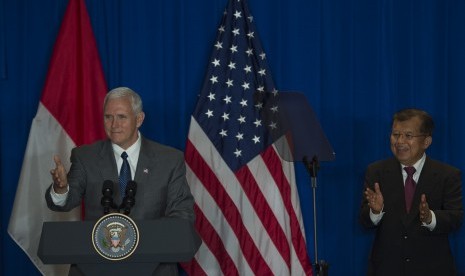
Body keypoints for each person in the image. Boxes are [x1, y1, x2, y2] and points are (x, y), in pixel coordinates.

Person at [46, 87, 195, 275]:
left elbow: (182, 214)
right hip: (94, 267)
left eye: (122, 117)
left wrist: (150, 240)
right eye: (108, 117)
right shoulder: (85, 156)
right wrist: (61, 189)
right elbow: (66, 201)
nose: (114, 124)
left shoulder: (169, 160)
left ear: (139, 119)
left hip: (154, 269)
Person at [359, 108, 463, 276]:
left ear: (426, 141)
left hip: (433, 269)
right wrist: (375, 211)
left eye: (408, 136)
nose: (399, 141)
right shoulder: (376, 171)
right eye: (395, 134)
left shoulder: (448, 175)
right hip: (386, 269)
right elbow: (364, 221)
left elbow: (456, 218)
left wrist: (431, 218)